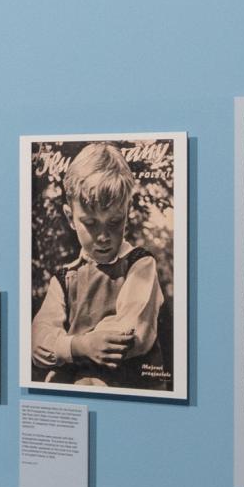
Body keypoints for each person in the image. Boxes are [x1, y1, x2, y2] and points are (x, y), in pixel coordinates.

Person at [30, 144, 170, 389]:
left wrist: (66, 348)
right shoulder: (64, 278)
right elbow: (38, 341)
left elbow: (131, 334)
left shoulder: (140, 264)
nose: (103, 236)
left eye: (114, 222)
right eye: (91, 223)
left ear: (127, 212)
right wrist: (81, 346)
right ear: (69, 217)